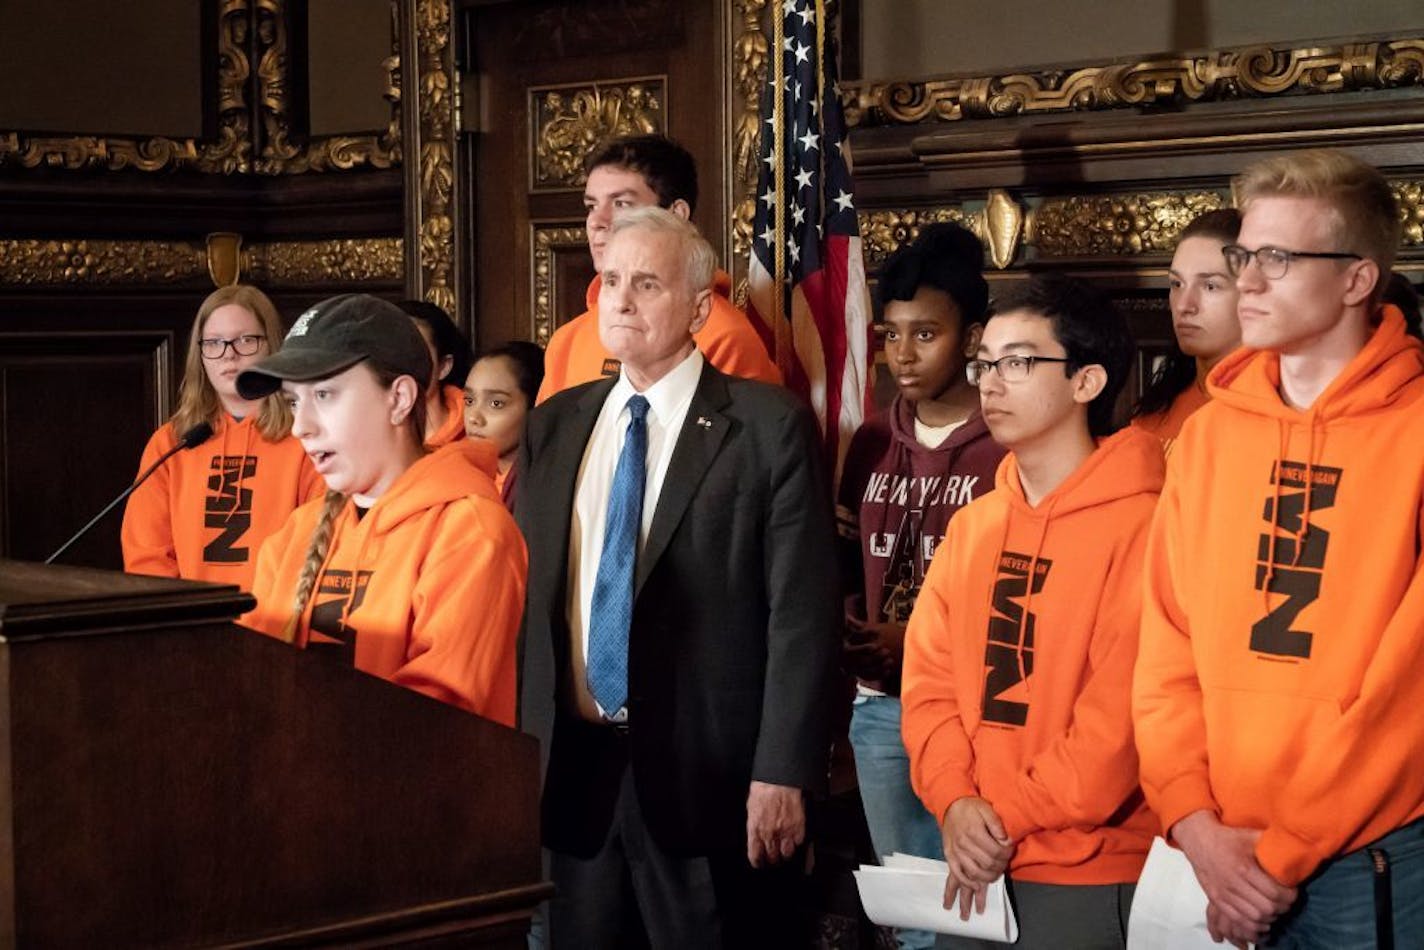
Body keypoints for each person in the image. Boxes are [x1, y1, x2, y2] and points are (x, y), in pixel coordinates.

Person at [516, 207, 837, 948]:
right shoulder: (554, 425)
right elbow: (529, 607)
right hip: (574, 779)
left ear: (698, 308)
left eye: (647, 284)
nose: (620, 301)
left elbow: (801, 614)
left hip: (711, 780)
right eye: (610, 281)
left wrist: (783, 771)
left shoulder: (765, 427)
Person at [1134, 149, 1424, 947]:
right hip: (1217, 850)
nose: (1249, 282)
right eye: (1243, 256)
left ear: (1358, 280)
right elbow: (1163, 650)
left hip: (1369, 859)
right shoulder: (1208, 436)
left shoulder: (1416, 430)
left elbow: (1409, 691)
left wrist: (1281, 856)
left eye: (1278, 259)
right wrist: (1193, 822)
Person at [901, 274, 1162, 949]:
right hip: (974, 862)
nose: (990, 382)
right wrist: (956, 804)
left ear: (1087, 382)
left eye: (1018, 362)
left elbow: (1115, 735)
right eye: (985, 361)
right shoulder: (976, 525)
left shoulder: (1146, 526)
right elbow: (927, 687)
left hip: (1090, 870)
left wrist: (996, 817)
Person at [238, 294, 525, 726]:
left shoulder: (472, 531)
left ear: (399, 398)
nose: (301, 426)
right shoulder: (298, 532)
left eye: (325, 394)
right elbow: (250, 687)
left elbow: (432, 717)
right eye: (294, 401)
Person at [836, 223, 1005, 950]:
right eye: (891, 336)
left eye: (926, 335)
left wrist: (924, 638)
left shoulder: (1006, 441)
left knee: (972, 913)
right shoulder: (872, 440)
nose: (903, 356)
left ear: (971, 338)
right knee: (909, 915)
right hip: (879, 710)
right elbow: (844, 561)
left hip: (973, 713)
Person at [536, 134, 781, 402]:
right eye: (592, 205)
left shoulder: (726, 337)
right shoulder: (567, 341)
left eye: (621, 204)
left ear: (676, 214)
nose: (597, 221)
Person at [122, 284, 323, 588]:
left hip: (277, 623)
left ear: (271, 346)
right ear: (199, 353)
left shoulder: (305, 436)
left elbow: (319, 543)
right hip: (191, 627)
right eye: (214, 343)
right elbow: (147, 558)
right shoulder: (171, 444)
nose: (229, 355)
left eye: (245, 340)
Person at [1131, 209, 1243, 452]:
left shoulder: (1279, 410)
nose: (1184, 305)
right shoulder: (1153, 416)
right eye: (1176, 284)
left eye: (1210, 286)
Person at [464, 340, 544, 506]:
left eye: (496, 404)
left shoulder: (543, 486)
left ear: (534, 405)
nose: (474, 418)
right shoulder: (459, 474)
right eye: (469, 400)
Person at [397, 299, 474, 448]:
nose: (400, 363)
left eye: (415, 353)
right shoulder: (368, 435)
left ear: (444, 366)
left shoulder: (475, 431)